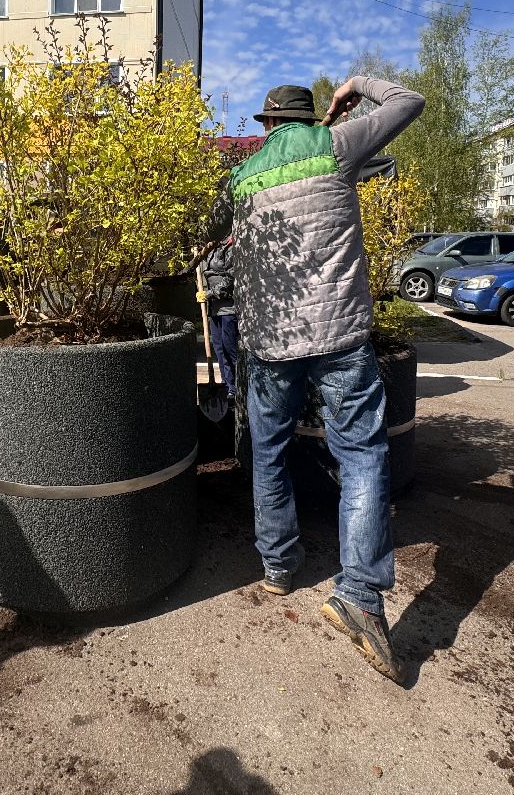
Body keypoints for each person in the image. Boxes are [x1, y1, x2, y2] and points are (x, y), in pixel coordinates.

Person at [206, 76, 424, 682]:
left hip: (270, 343)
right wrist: (358, 87)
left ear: (267, 123)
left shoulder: (242, 175)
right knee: (361, 457)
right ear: (313, 115)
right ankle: (359, 596)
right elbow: (410, 101)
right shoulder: (337, 144)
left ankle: (278, 566)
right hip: (339, 341)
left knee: (268, 451)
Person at [198, 235, 239, 396]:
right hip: (214, 309)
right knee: (219, 348)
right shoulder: (208, 249)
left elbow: (232, 278)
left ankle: (239, 387)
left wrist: (209, 294)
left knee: (230, 348)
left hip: (229, 307)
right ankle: (228, 386)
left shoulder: (230, 247)